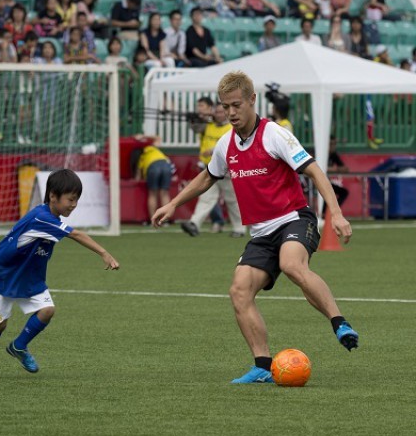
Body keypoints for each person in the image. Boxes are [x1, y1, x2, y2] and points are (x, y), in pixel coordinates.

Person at [151, 70, 359, 384]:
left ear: (252, 100)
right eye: (225, 107)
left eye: (236, 105)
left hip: (294, 219)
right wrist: (173, 204)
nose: (231, 113)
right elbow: (208, 176)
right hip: (261, 234)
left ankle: (339, 322)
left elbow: (315, 171)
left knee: (291, 265)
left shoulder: (274, 134)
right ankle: (262, 365)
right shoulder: (226, 143)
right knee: (239, 290)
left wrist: (337, 214)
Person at [0, 169, 119, 380]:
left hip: (27, 276)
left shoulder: (51, 216)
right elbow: (75, 234)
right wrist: (103, 252)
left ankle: (19, 347)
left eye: (77, 200)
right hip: (3, 274)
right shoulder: (42, 217)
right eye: (71, 199)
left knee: (47, 310)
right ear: (53, 196)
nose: (74, 204)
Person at [180, 102, 245, 238]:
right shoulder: (207, 126)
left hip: (227, 170)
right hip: (208, 169)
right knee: (206, 197)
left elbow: (235, 145)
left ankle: (239, 228)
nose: (220, 114)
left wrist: (214, 150)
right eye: (217, 112)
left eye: (222, 112)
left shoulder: (232, 127)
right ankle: (194, 223)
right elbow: (196, 127)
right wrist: (192, 118)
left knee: (232, 200)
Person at [131, 134, 172, 223]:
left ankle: (153, 219)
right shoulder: (153, 148)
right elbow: (158, 137)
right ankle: (166, 220)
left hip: (153, 167)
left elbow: (137, 178)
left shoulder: (141, 157)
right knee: (164, 193)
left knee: (153, 194)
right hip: (166, 165)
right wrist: (144, 136)